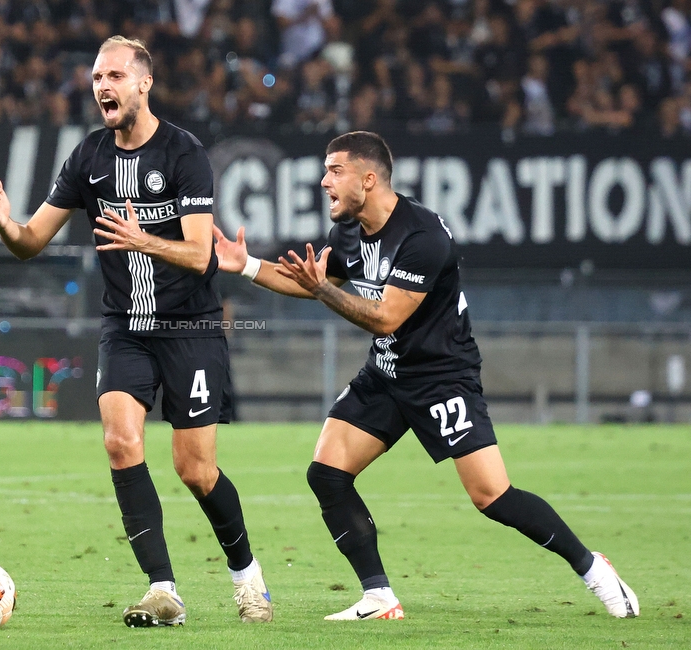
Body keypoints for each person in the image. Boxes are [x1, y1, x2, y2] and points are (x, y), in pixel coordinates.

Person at [213, 131, 639, 621]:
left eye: (335, 170)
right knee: (327, 473)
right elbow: (316, 284)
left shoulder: (423, 237)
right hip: (388, 372)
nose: (324, 180)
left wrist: (323, 290)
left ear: (368, 179)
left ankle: (594, 569)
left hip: (442, 377)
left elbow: (386, 316)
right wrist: (244, 264)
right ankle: (379, 597)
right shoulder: (348, 230)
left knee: (492, 497)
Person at [0, 36, 272, 627]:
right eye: (96, 78)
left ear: (144, 83)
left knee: (195, 469)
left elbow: (201, 256)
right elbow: (31, 241)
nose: (102, 87)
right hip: (126, 327)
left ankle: (248, 579)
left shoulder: (184, 153)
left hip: (190, 327)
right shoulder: (89, 157)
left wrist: (142, 238)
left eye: (114, 75)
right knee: (120, 442)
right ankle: (163, 589)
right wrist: (6, 226)